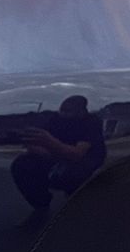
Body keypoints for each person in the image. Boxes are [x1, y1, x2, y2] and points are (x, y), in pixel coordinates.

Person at [11, 95, 108, 225]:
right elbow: (38, 143)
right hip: (57, 156)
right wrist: (31, 142)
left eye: (68, 111)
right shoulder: (56, 119)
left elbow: (78, 154)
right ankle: (41, 207)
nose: (63, 114)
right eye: (62, 110)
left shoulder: (90, 122)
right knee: (23, 164)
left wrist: (49, 141)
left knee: (74, 175)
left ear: (81, 111)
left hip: (85, 160)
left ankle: (79, 208)